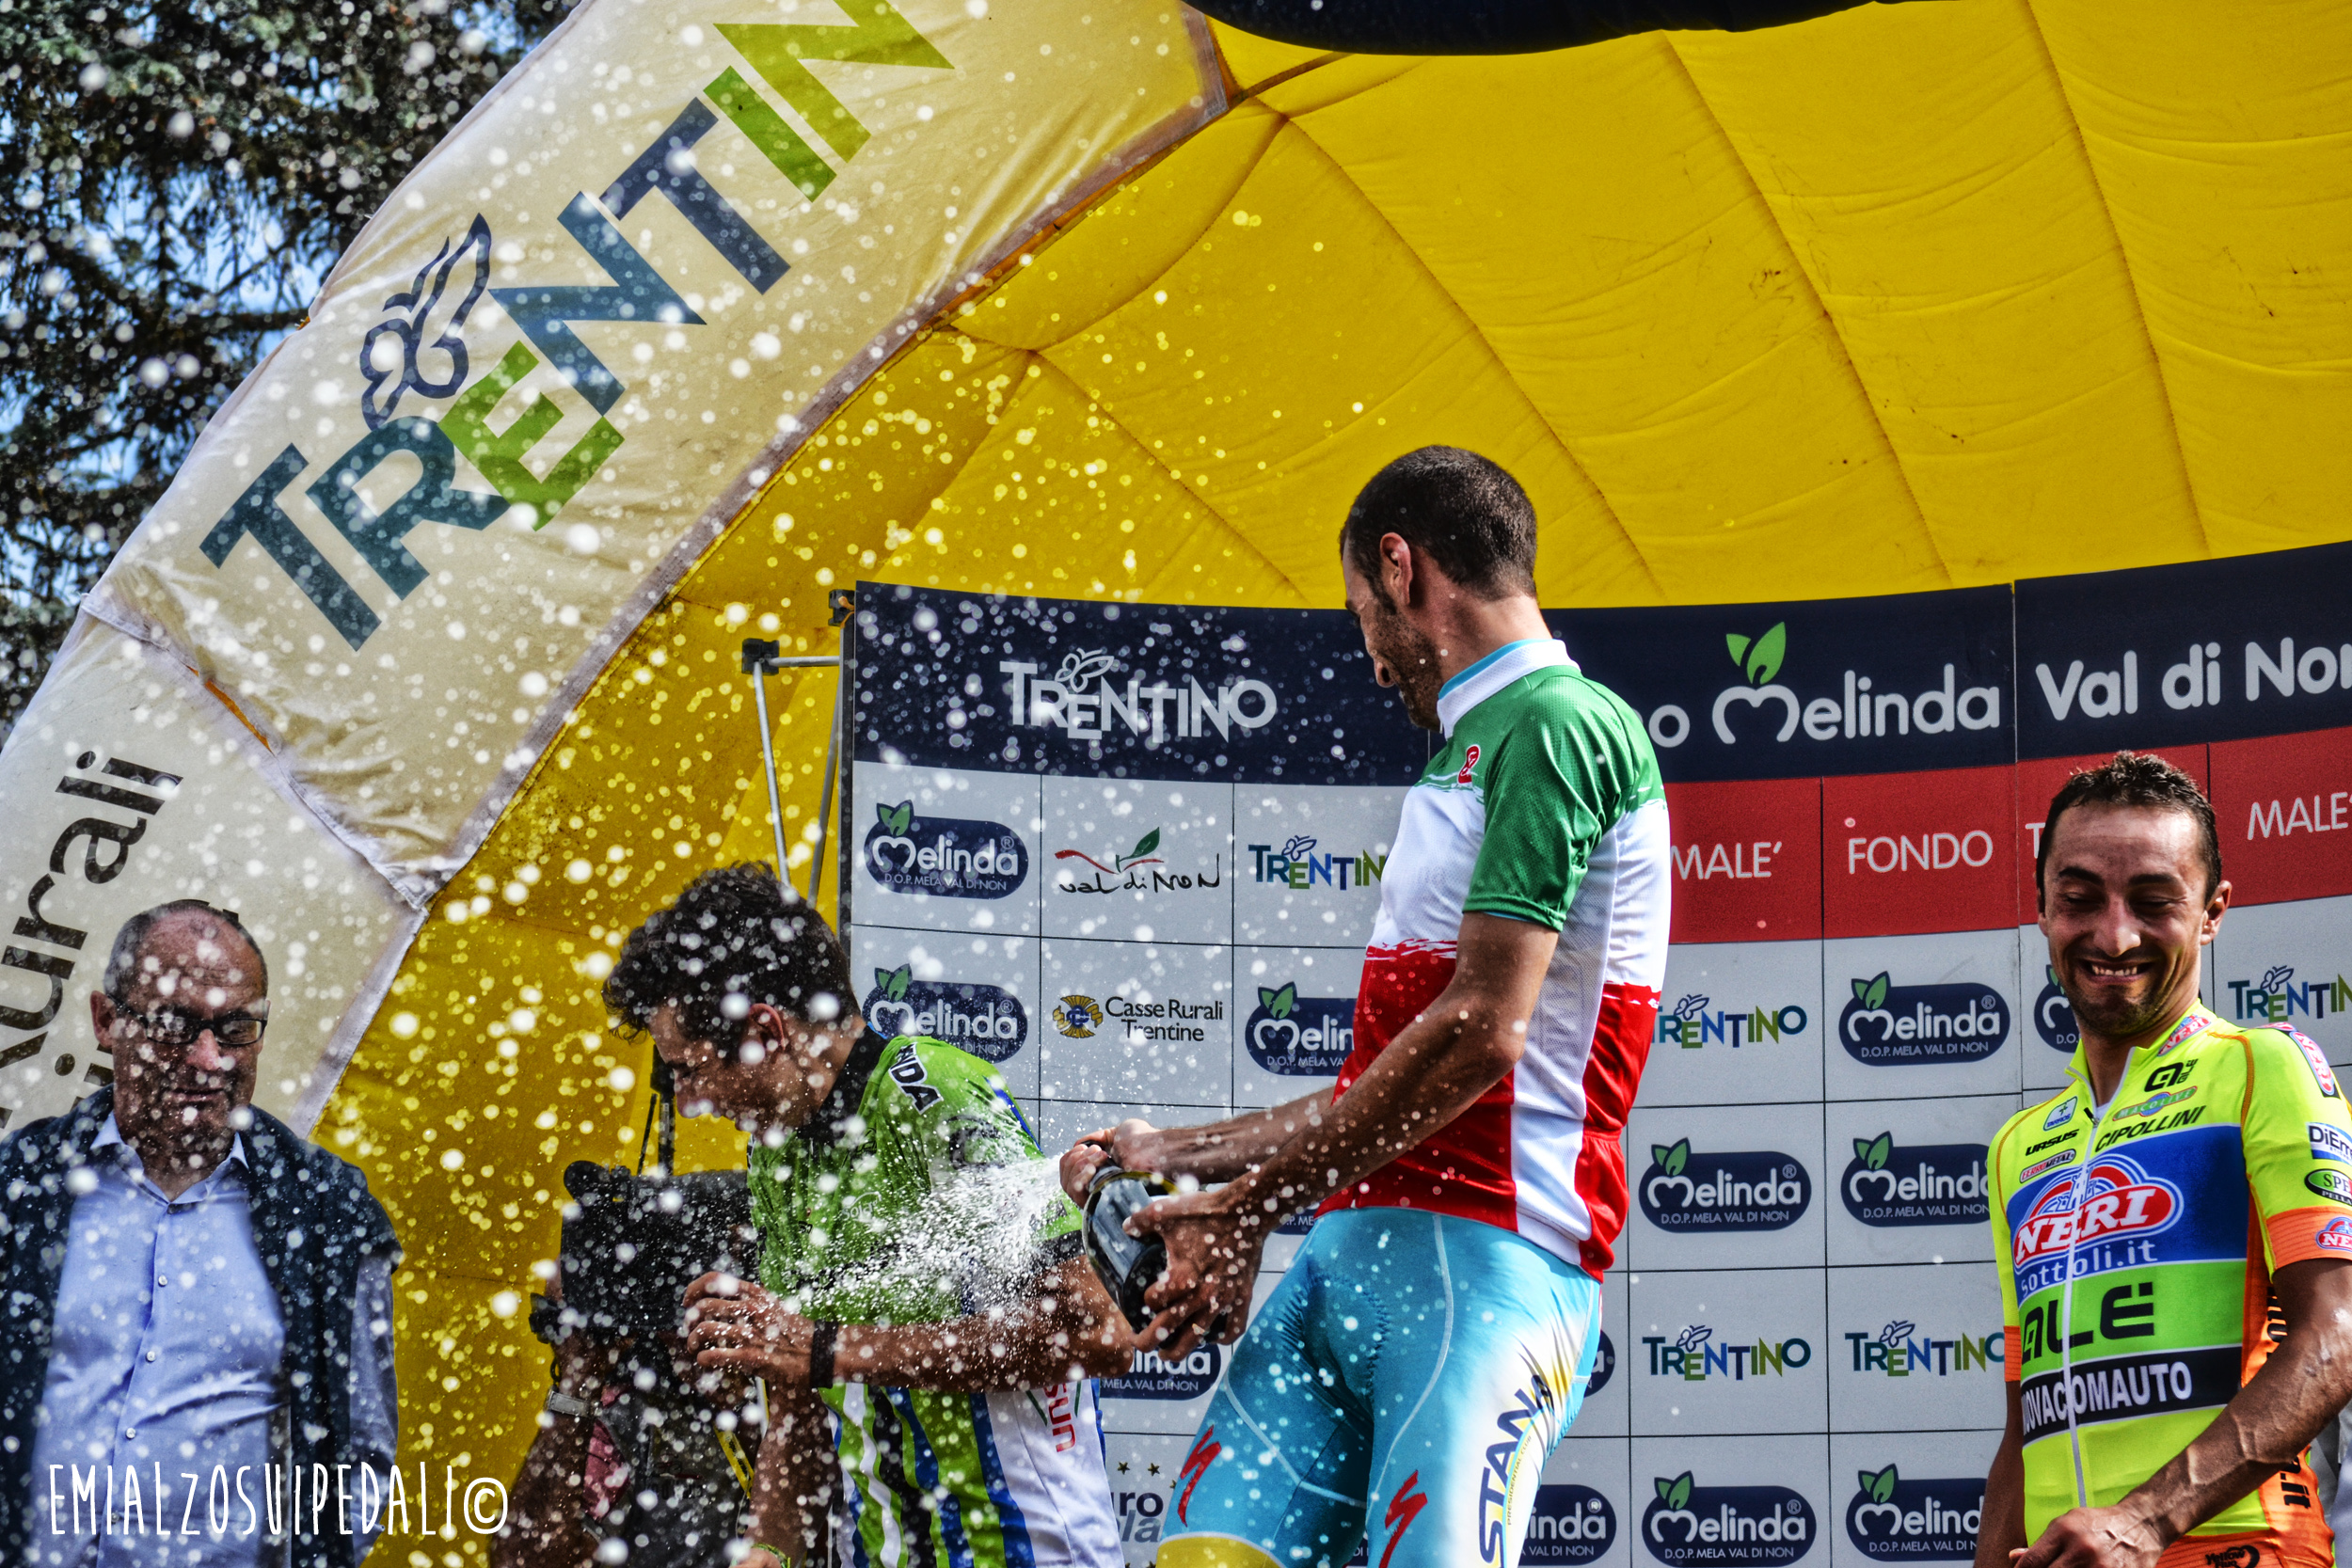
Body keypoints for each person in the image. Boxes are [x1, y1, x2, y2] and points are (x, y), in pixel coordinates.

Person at [1059, 445, 1672, 1568]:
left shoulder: (1560, 719)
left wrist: (1248, 1201)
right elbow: (1385, 1090)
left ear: (1401, 567)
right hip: (1346, 1256)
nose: (1372, 659)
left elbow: (1481, 1033)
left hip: (1487, 1267)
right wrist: (1179, 1153)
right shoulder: (1464, 751)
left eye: (1358, 614)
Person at [600, 864, 1133, 1568]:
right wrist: (767, 1551)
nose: (690, 1101)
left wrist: (831, 1348)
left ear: (764, 1030)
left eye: (690, 1069)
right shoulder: (776, 1154)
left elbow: (1096, 1334)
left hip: (1023, 1551)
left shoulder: (933, 1095)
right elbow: (798, 1405)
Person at [1979, 753, 2352, 1568]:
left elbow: (2339, 1333)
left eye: (2154, 902)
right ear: (2041, 906)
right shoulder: (2017, 1146)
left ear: (2213, 912)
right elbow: (2025, 1424)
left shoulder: (2264, 1067)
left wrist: (2145, 1521)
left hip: (2242, 1547)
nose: (2115, 935)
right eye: (2080, 898)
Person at [0, 899, 400, 1568]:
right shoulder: (21, 1186)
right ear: (106, 1021)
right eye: (172, 1024)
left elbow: (361, 1458)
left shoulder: (326, 1213)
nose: (208, 1058)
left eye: (235, 1027)